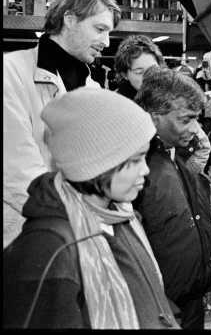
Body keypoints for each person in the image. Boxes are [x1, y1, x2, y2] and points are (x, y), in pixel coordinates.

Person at [2, 88, 178, 329]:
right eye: (135, 159)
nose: (146, 170)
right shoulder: (48, 249)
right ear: (97, 163)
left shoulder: (119, 216)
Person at [3, 0, 121, 248]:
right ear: (69, 19)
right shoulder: (9, 74)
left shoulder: (94, 89)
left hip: (81, 234)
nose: (106, 42)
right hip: (26, 238)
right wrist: (80, 220)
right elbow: (16, 172)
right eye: (100, 29)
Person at [134, 66, 211, 329]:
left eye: (197, 119)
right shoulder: (133, 170)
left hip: (191, 301)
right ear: (154, 116)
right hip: (157, 309)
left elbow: (199, 224)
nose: (195, 128)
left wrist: (209, 283)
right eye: (186, 119)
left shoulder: (181, 156)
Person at [113, 35, 211, 175]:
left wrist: (184, 177)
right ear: (124, 74)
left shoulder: (172, 96)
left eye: (153, 69)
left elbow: (203, 145)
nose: (148, 77)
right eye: (139, 72)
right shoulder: (115, 107)